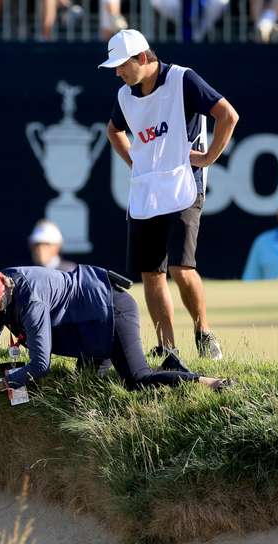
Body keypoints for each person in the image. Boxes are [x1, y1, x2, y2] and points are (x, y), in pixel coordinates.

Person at [101, 29, 238, 360]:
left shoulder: (183, 79)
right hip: (148, 189)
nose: (118, 72)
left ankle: (204, 333)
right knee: (150, 272)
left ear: (143, 57)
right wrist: (137, 162)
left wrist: (207, 159)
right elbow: (113, 131)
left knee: (181, 268)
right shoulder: (125, 95)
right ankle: (167, 348)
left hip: (183, 185)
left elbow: (227, 115)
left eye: (122, 65)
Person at [0, 267, 229, 396]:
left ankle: (209, 381)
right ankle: (169, 365)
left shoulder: (31, 303)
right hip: (86, 322)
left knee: (136, 379)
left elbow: (40, 365)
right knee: (85, 383)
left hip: (112, 314)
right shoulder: (3, 283)